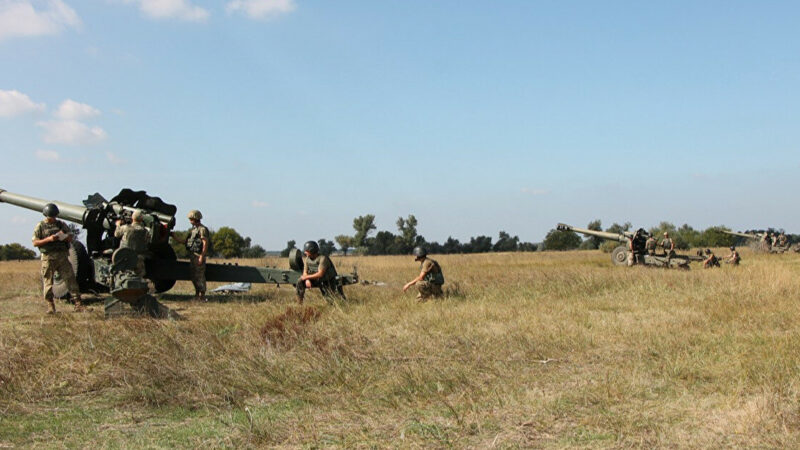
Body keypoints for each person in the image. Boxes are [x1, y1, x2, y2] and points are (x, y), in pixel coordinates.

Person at [31, 203, 83, 314]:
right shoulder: (40, 226)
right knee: (48, 282)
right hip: (48, 258)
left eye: (54, 216)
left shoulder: (61, 224)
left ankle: (78, 304)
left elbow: (70, 237)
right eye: (51, 217)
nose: (53, 219)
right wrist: (49, 239)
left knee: (71, 280)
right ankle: (50, 306)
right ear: (46, 216)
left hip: (62, 257)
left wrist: (64, 237)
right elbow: (35, 242)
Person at [171, 210, 209, 301]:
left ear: (195, 218)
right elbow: (185, 242)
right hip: (192, 256)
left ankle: (202, 296)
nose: (190, 221)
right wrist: (174, 236)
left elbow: (205, 243)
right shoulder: (193, 230)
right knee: (194, 277)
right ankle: (197, 295)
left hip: (198, 255)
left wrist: (201, 256)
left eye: (191, 219)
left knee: (200, 276)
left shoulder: (202, 229)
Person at [114, 210, 151, 277]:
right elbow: (147, 242)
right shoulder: (145, 231)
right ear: (142, 219)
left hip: (124, 256)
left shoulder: (126, 227)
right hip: (139, 257)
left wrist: (118, 225)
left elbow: (116, 234)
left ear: (132, 218)